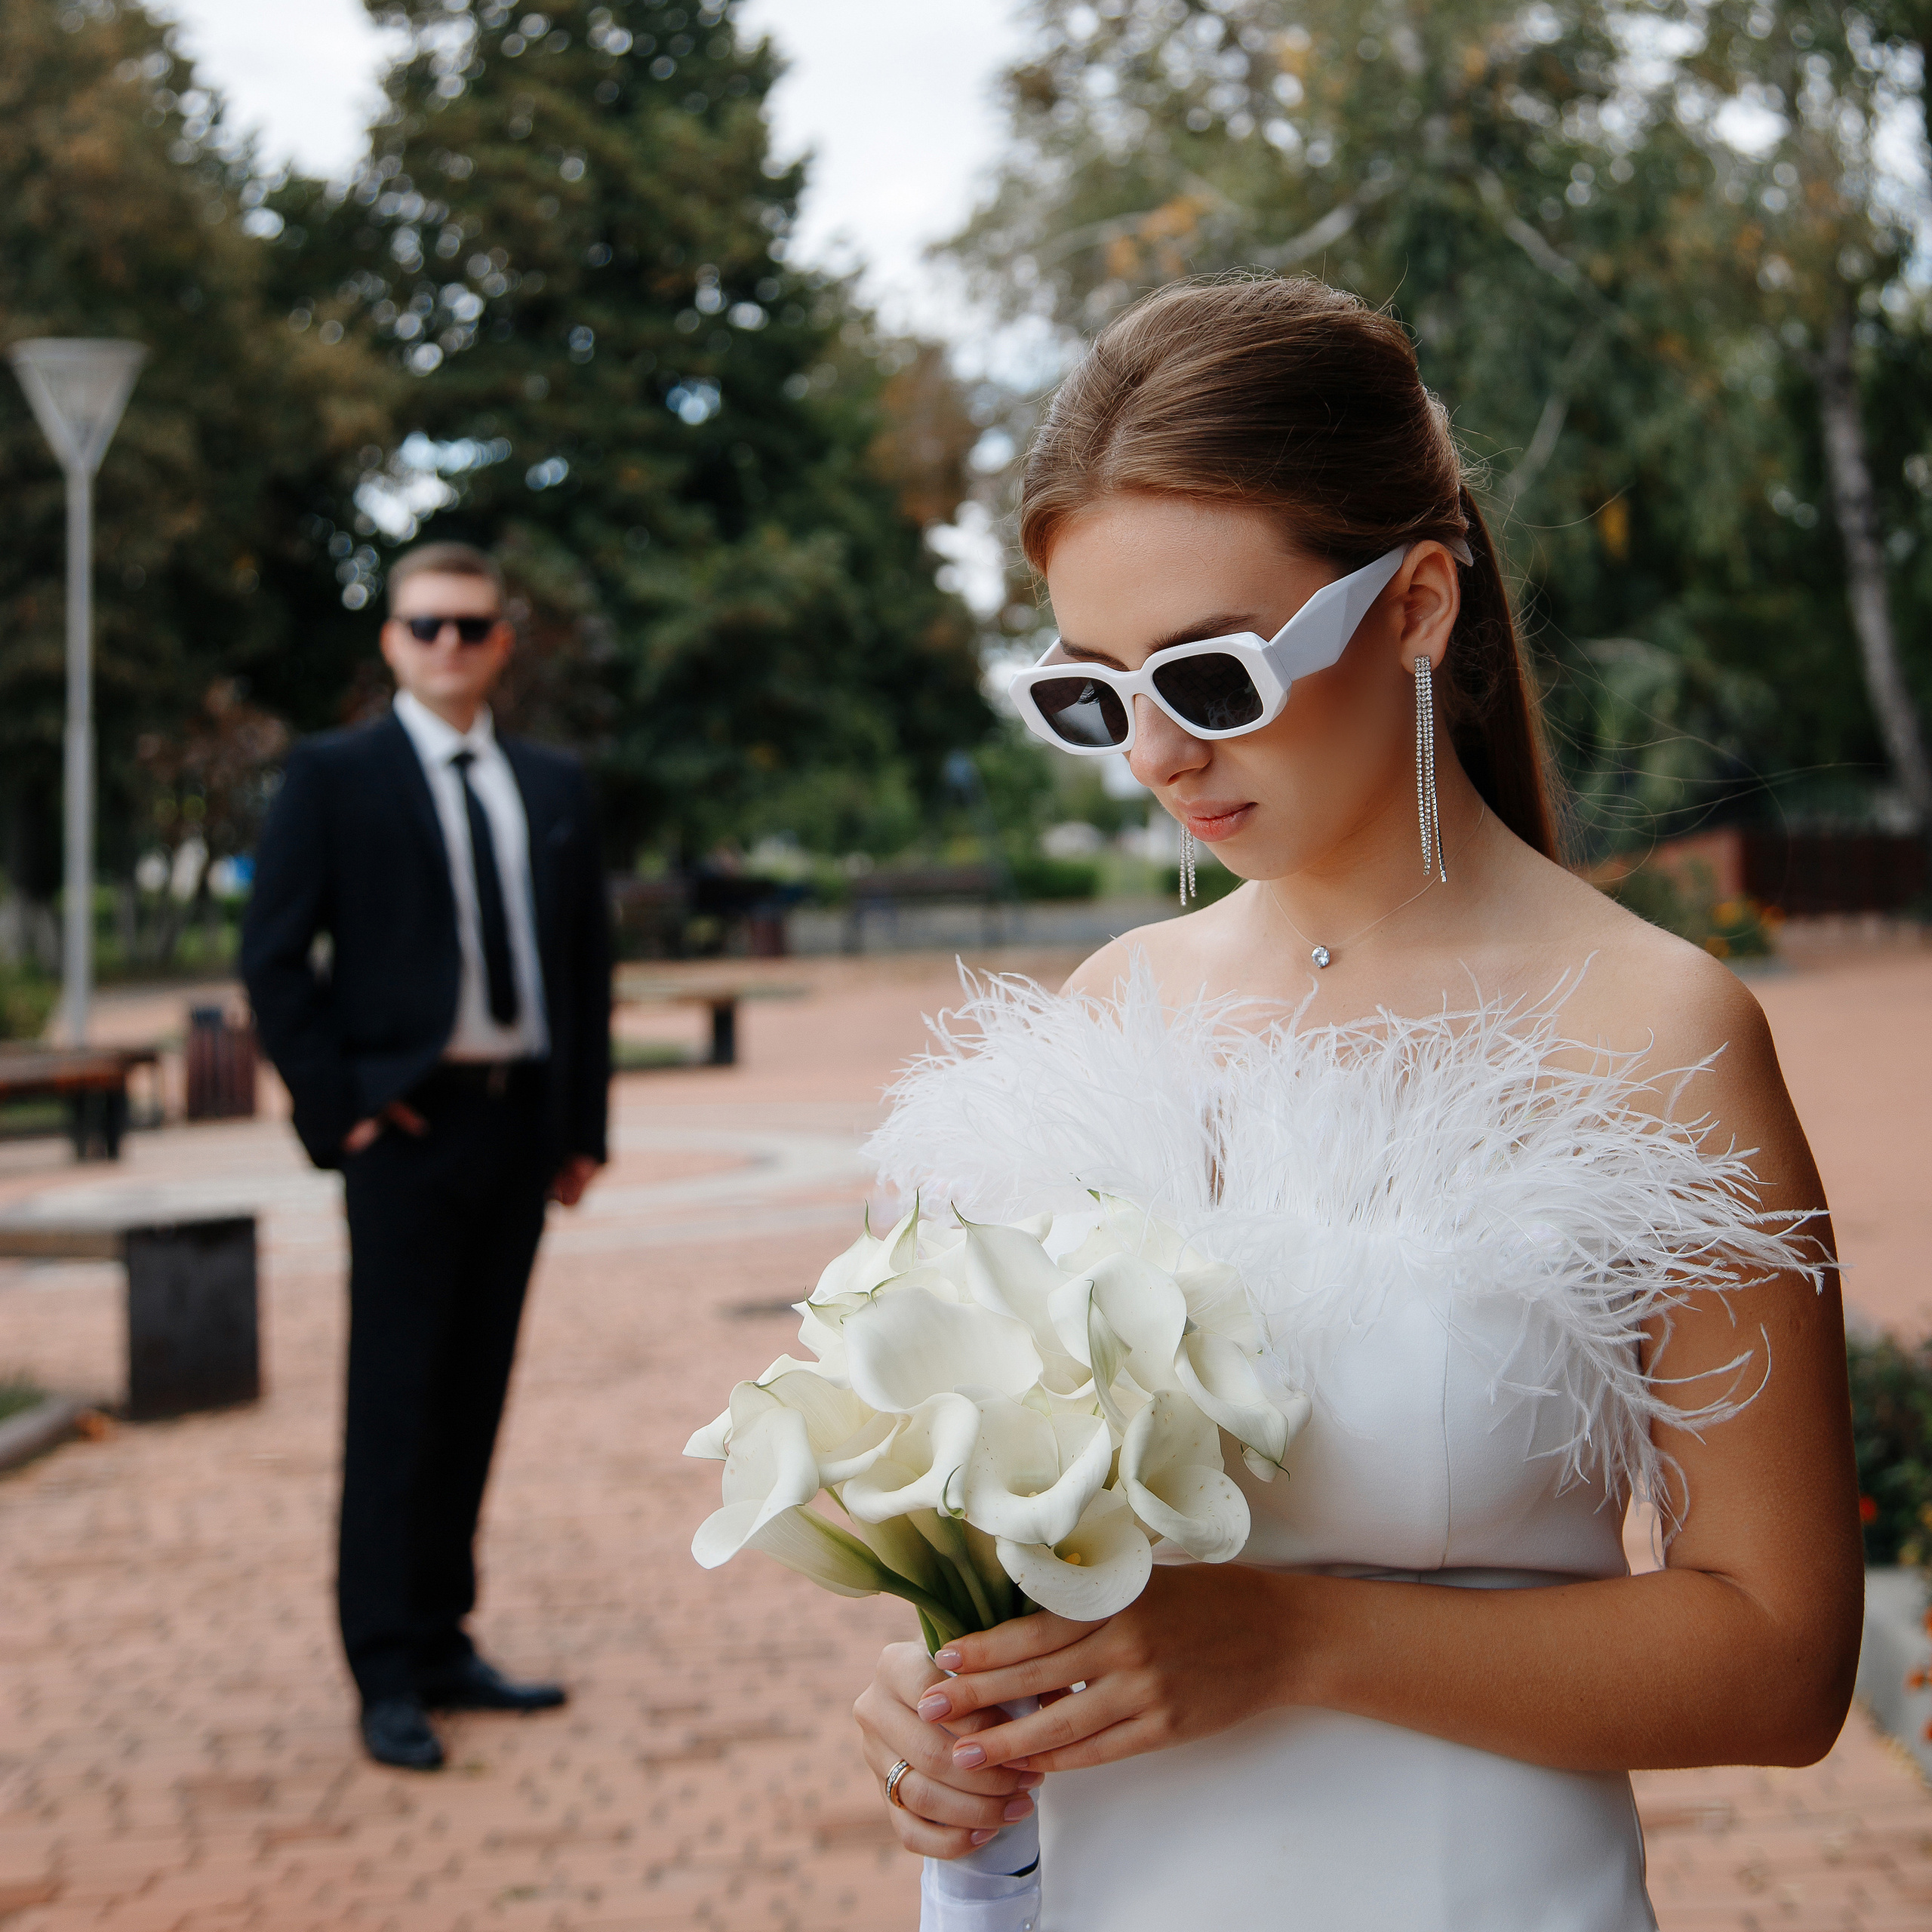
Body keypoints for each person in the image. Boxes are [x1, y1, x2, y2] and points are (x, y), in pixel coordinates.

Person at [851, 278, 1862, 1928]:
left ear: (1412, 606)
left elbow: (1779, 1655)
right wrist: (949, 1725)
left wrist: (1292, 1635)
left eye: (1212, 674)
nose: (1154, 759)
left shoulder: (1646, 1027)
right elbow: (1048, 1576)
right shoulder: (1111, 1015)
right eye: (1093, 693)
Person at [242, 541, 611, 1772]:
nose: (447, 645)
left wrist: (580, 1128)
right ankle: (384, 1668)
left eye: (469, 626)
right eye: (424, 627)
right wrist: (341, 1109)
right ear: (391, 643)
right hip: (405, 1133)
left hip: (516, 1128)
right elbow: (274, 958)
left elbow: (585, 965)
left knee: (475, 1390)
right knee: (396, 1400)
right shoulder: (333, 775)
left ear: (502, 640)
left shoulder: (550, 784)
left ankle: (446, 1635)